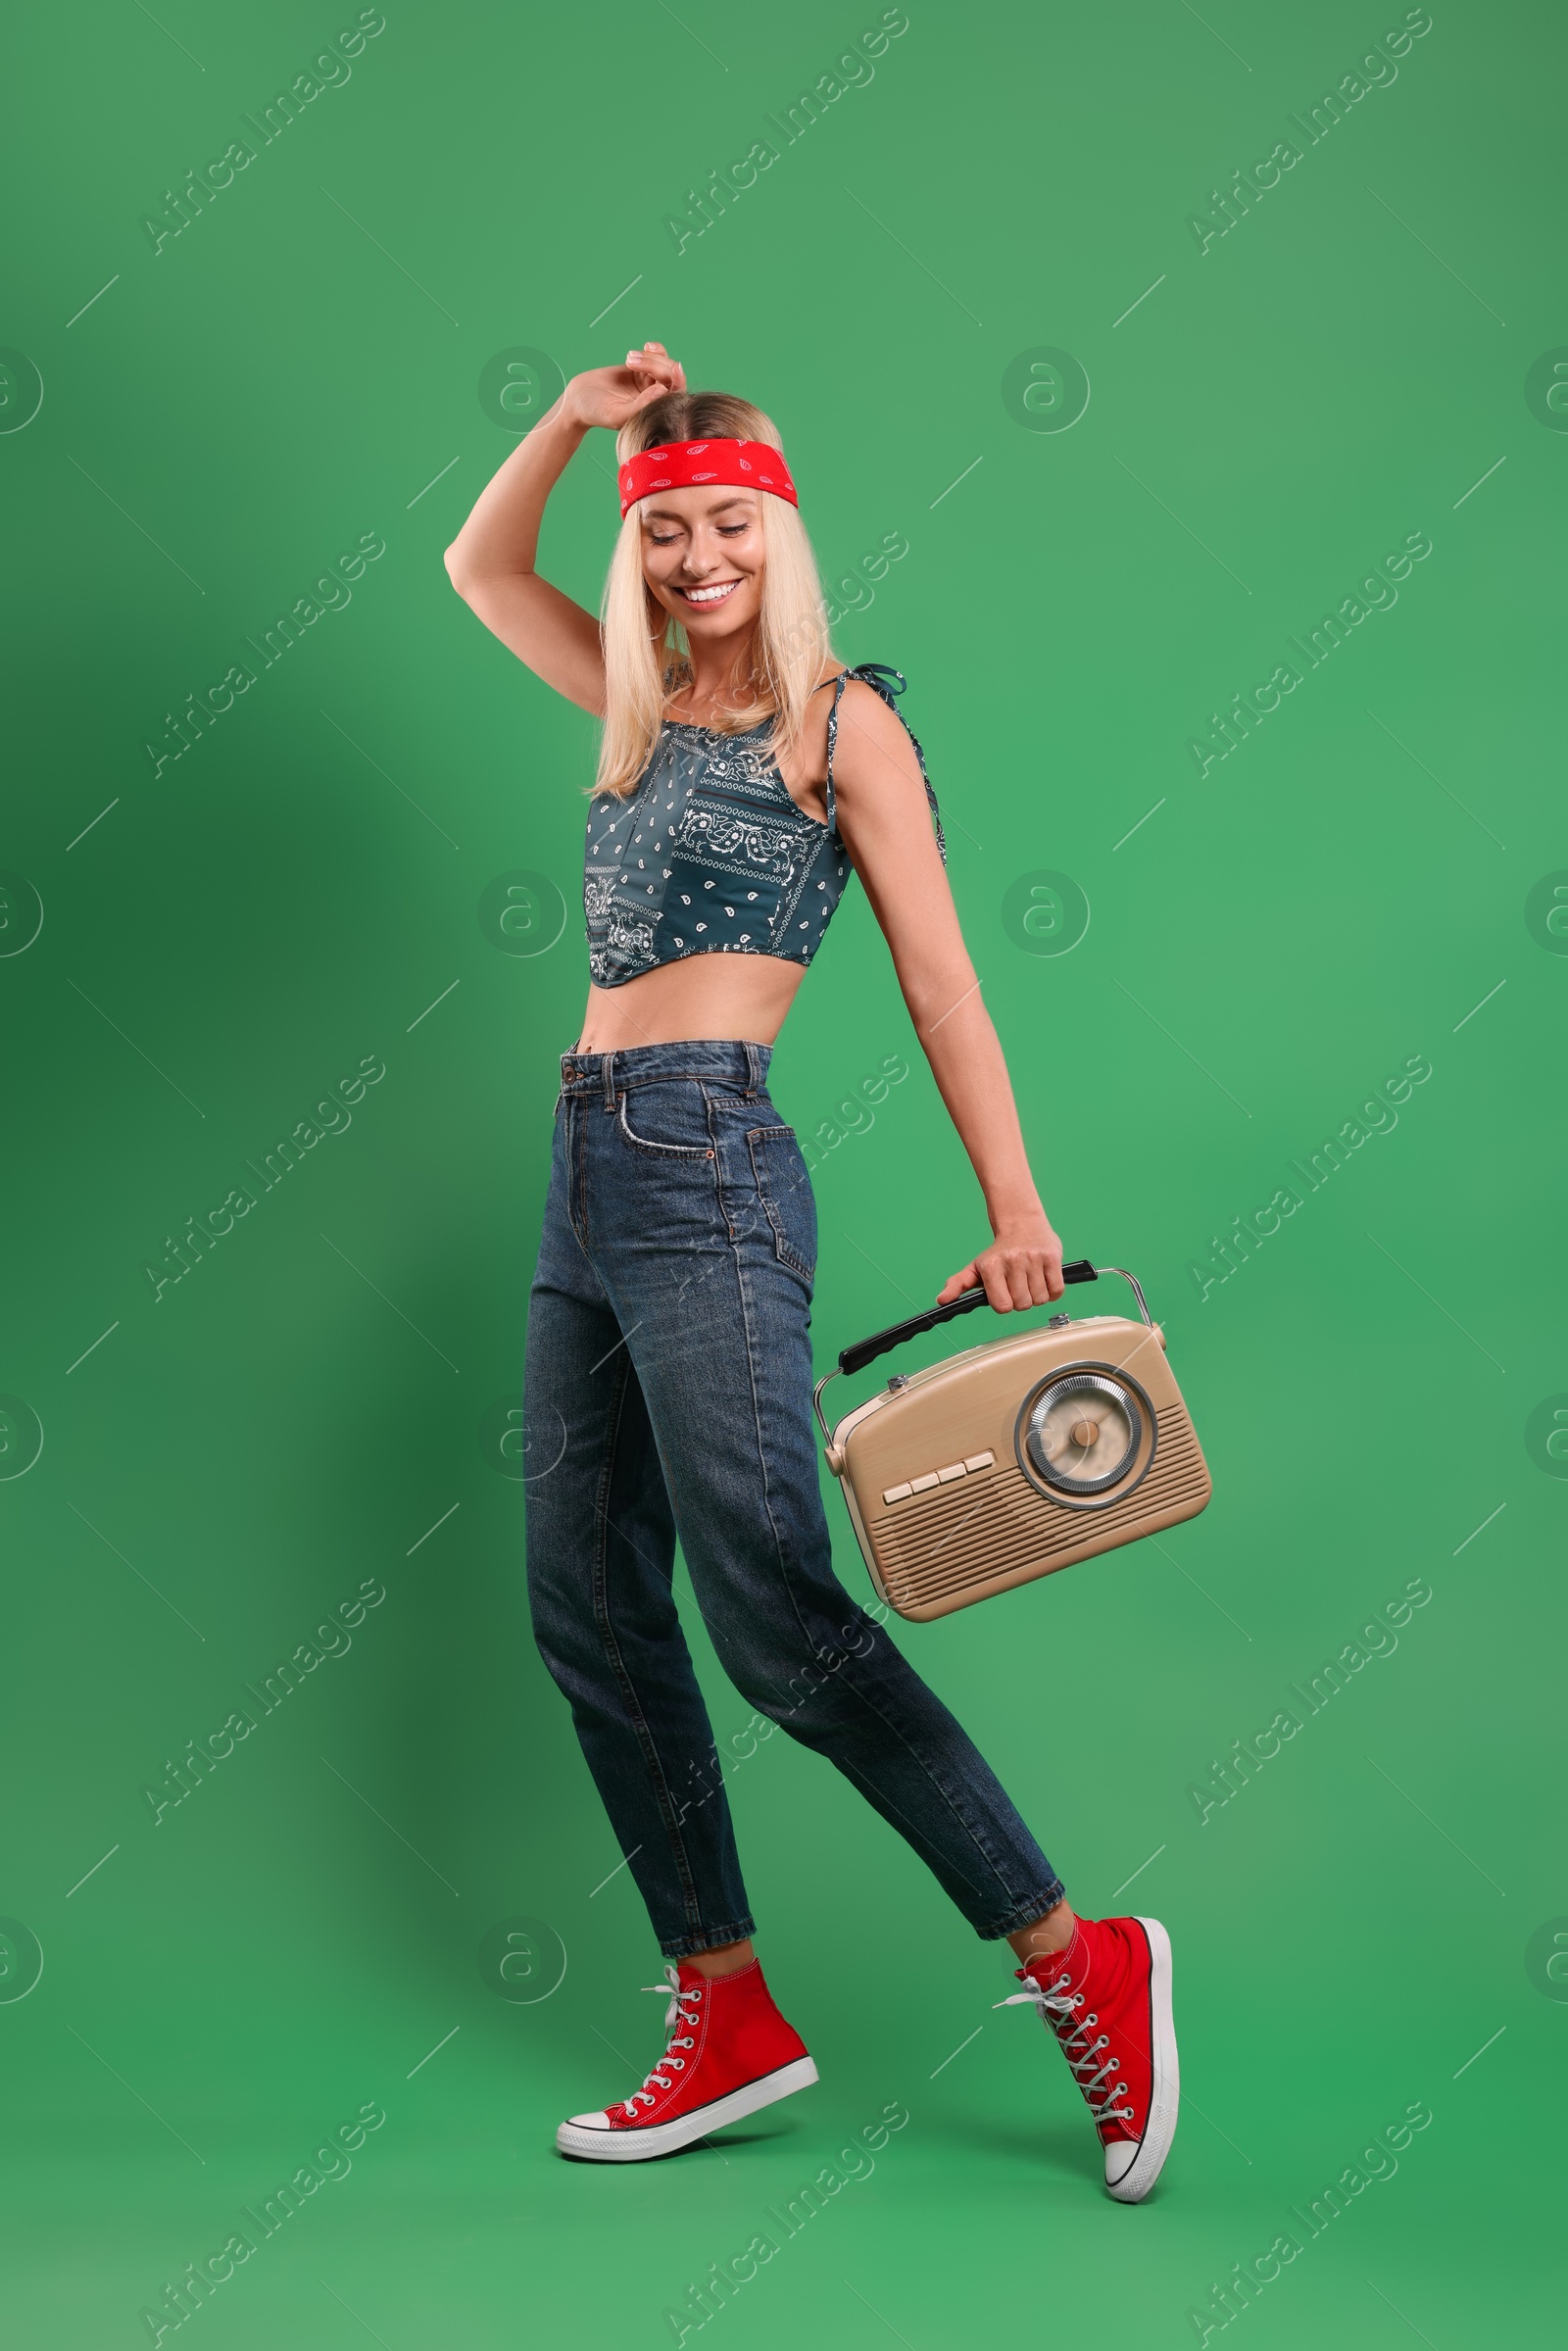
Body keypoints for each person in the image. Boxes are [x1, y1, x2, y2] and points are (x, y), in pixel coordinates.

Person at [444, 343, 1178, 2199]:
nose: (701, 559)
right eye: (670, 530)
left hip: (710, 1165)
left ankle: (1075, 1956)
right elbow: (475, 568)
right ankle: (728, 2007)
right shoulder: (630, 697)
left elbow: (942, 978)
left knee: (771, 1603)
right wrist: (574, 424)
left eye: (731, 527)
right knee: (585, 1606)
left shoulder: (836, 724)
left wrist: (1016, 1205)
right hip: (584, 1167)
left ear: (783, 533)